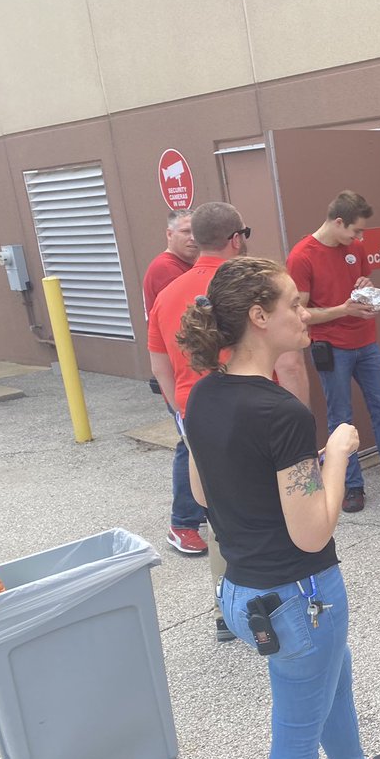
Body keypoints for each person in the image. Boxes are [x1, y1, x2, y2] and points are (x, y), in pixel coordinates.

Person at [178, 257, 380, 759]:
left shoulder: (205, 396)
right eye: (294, 304)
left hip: (243, 591)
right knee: (295, 730)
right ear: (258, 316)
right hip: (299, 596)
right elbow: (312, 529)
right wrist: (339, 452)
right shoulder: (282, 413)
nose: (305, 313)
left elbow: (201, 488)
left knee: (331, 675)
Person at [274, 191, 380, 513]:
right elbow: (302, 312)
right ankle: (350, 486)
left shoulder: (355, 248)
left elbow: (358, 287)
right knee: (341, 419)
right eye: (356, 230)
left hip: (367, 342)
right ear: (338, 222)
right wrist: (343, 310)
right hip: (332, 347)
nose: (360, 237)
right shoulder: (302, 256)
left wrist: (366, 287)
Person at [148, 202, 249, 642]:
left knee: (219, 516)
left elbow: (159, 366)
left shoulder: (168, 294)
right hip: (251, 409)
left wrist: (182, 412)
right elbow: (287, 361)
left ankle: (225, 611)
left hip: (196, 413)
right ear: (235, 238)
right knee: (265, 510)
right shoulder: (250, 285)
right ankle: (268, 604)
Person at [142, 210, 207, 555]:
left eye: (196, 231)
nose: (192, 238)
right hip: (180, 374)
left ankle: (200, 509)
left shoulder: (185, 268)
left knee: (198, 444)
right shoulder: (166, 270)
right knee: (189, 445)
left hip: (187, 373)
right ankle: (182, 523)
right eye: (185, 231)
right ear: (168, 234)